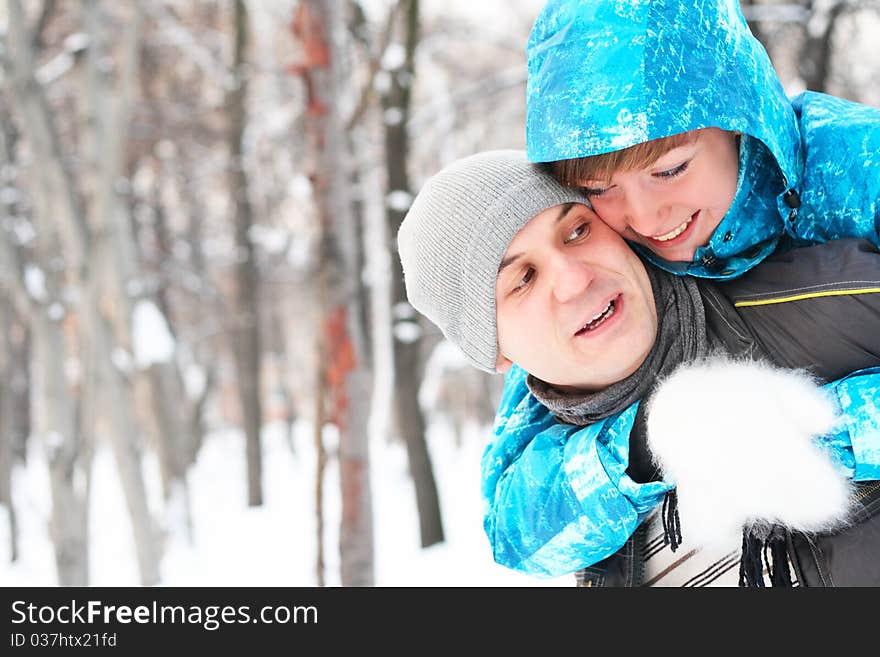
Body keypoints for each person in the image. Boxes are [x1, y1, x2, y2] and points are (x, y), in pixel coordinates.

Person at [483, 0, 880, 583]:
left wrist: (825, 430)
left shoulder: (857, 168)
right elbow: (515, 526)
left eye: (670, 170)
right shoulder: (609, 264)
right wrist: (649, 443)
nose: (645, 216)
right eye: (600, 189)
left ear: (742, 117)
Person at [397, 149, 880, 586]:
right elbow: (517, 536)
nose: (574, 278)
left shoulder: (824, 294)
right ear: (499, 354)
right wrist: (649, 443)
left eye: (578, 231)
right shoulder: (558, 454)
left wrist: (819, 427)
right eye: (523, 279)